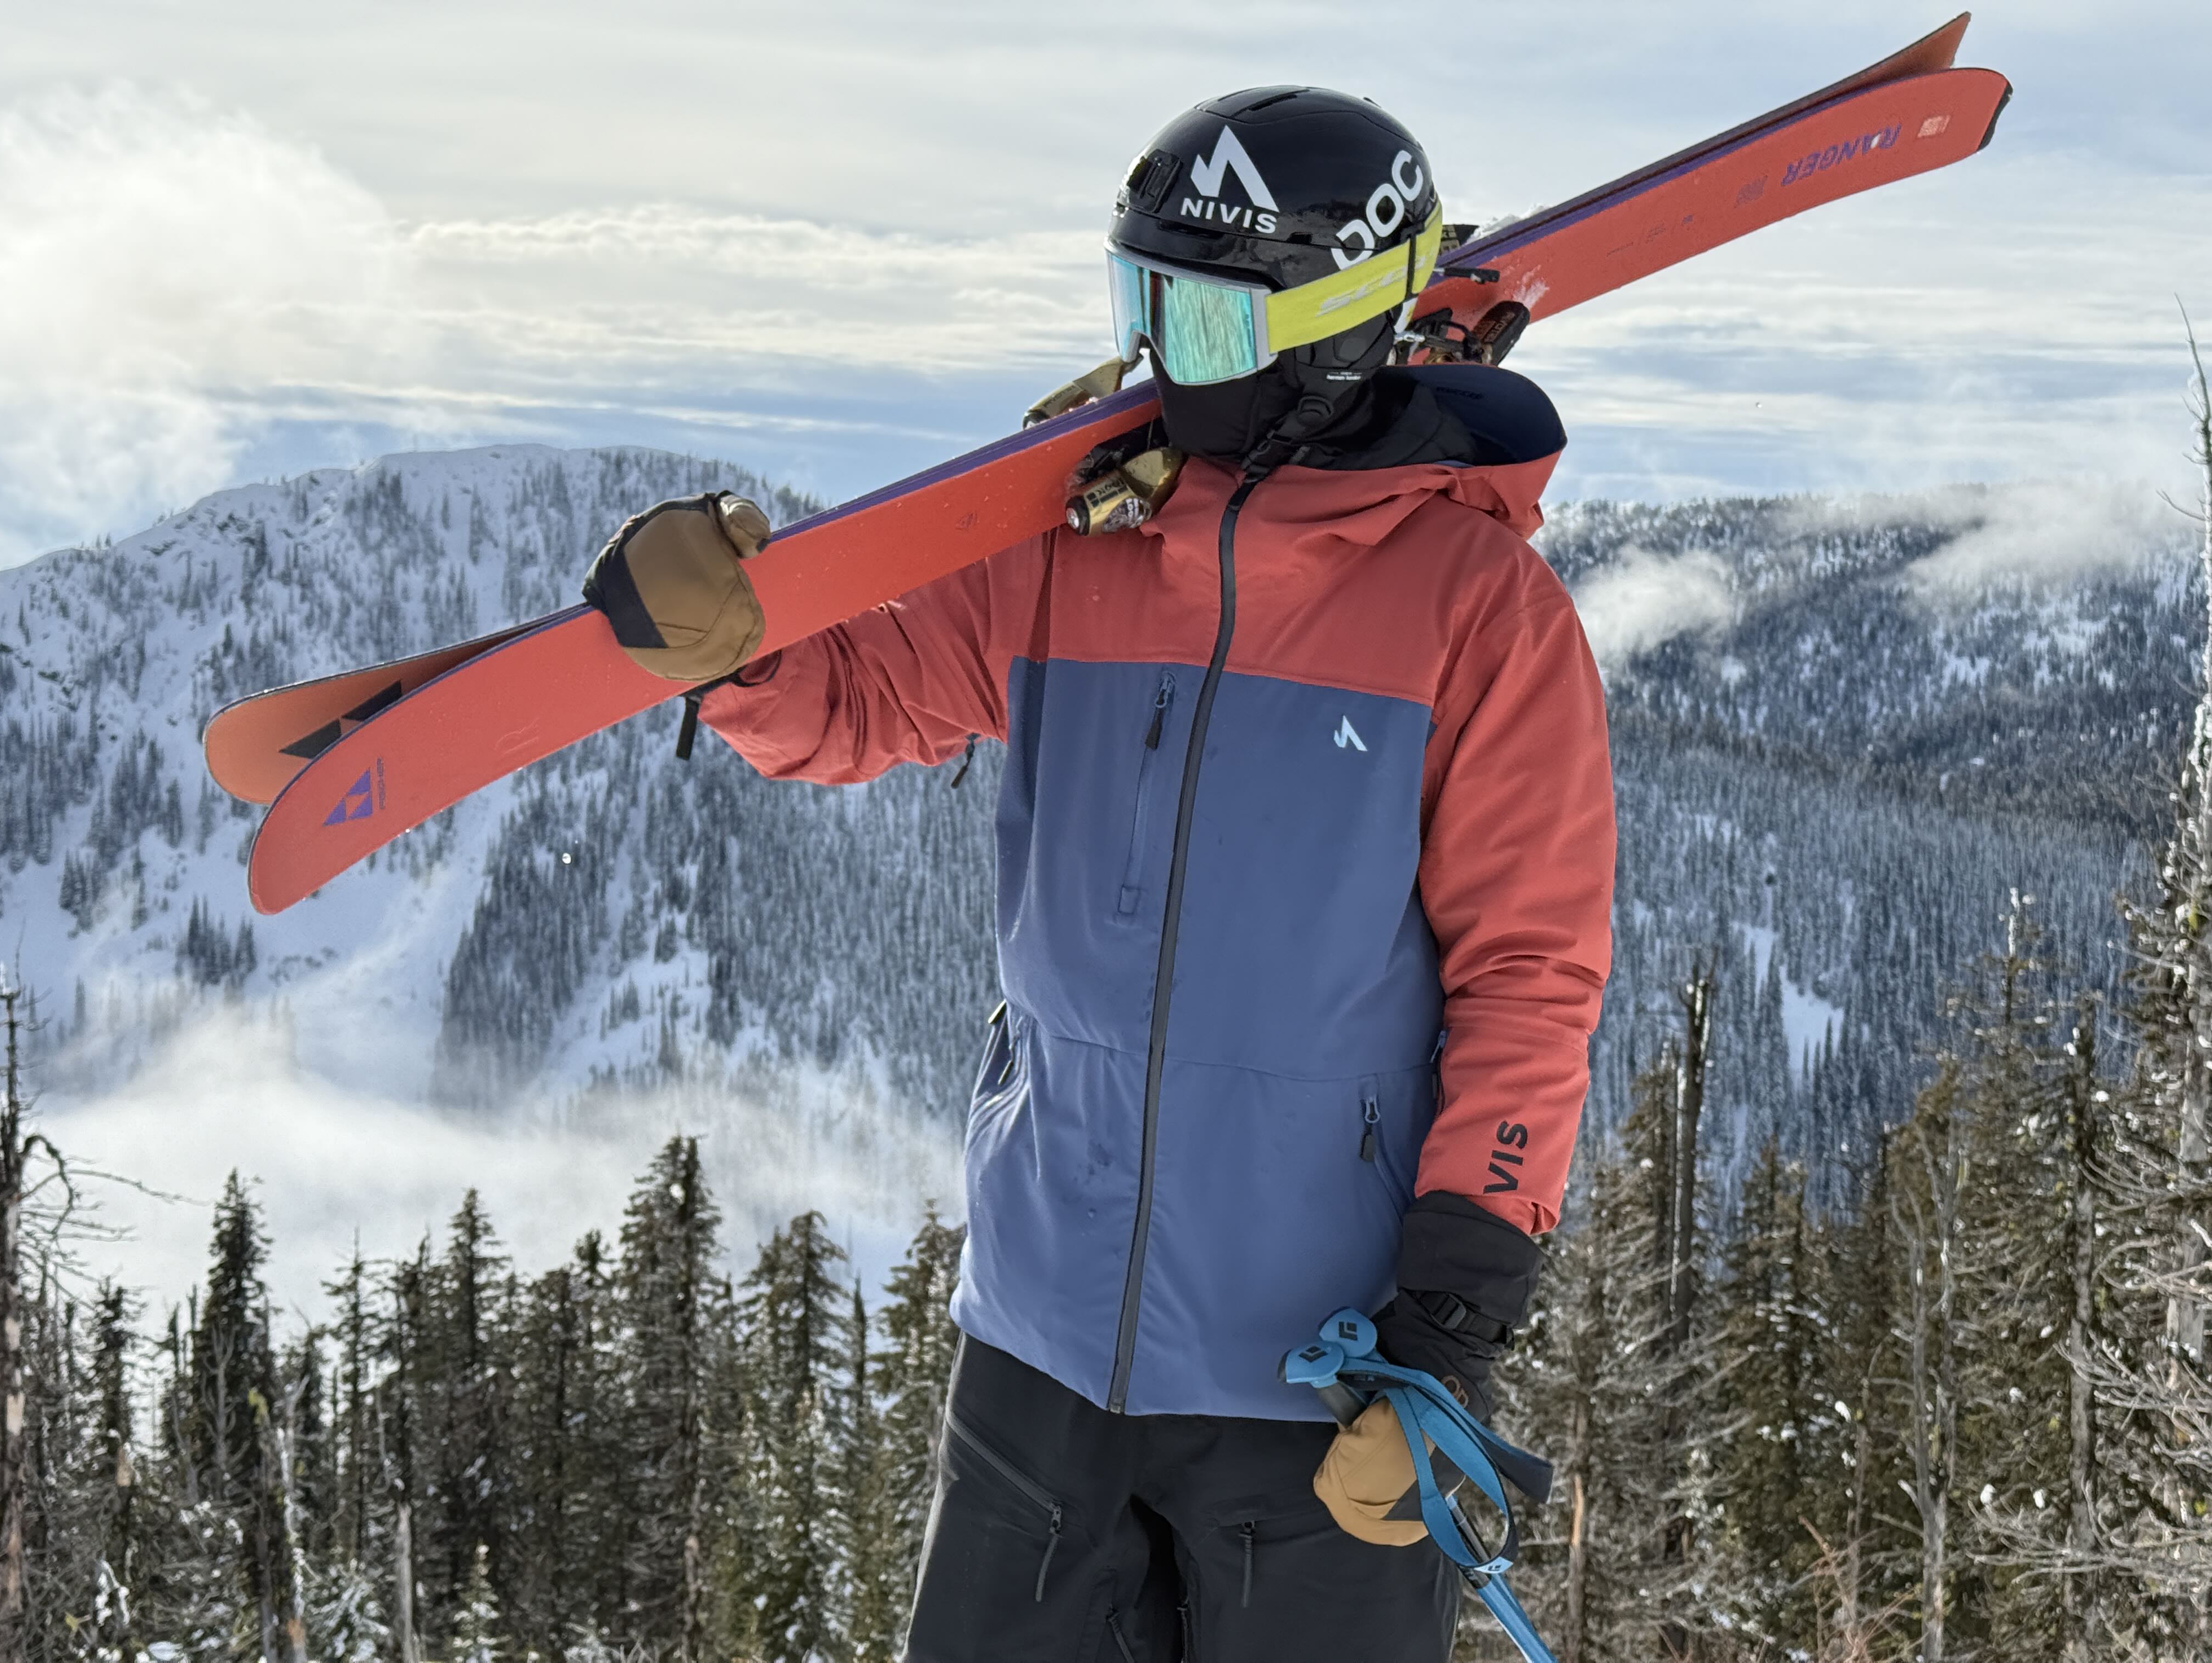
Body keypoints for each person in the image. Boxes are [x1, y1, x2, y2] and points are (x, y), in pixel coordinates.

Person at [582, 86, 1614, 1663]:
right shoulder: (1072, 543)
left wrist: (1445, 1340)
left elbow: (1529, 980)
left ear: (1332, 329)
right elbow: (863, 703)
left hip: (1315, 1383)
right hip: (1041, 1342)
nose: (1153, 358)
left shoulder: (1482, 613)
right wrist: (735, 654)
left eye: (1196, 319)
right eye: (1139, 305)